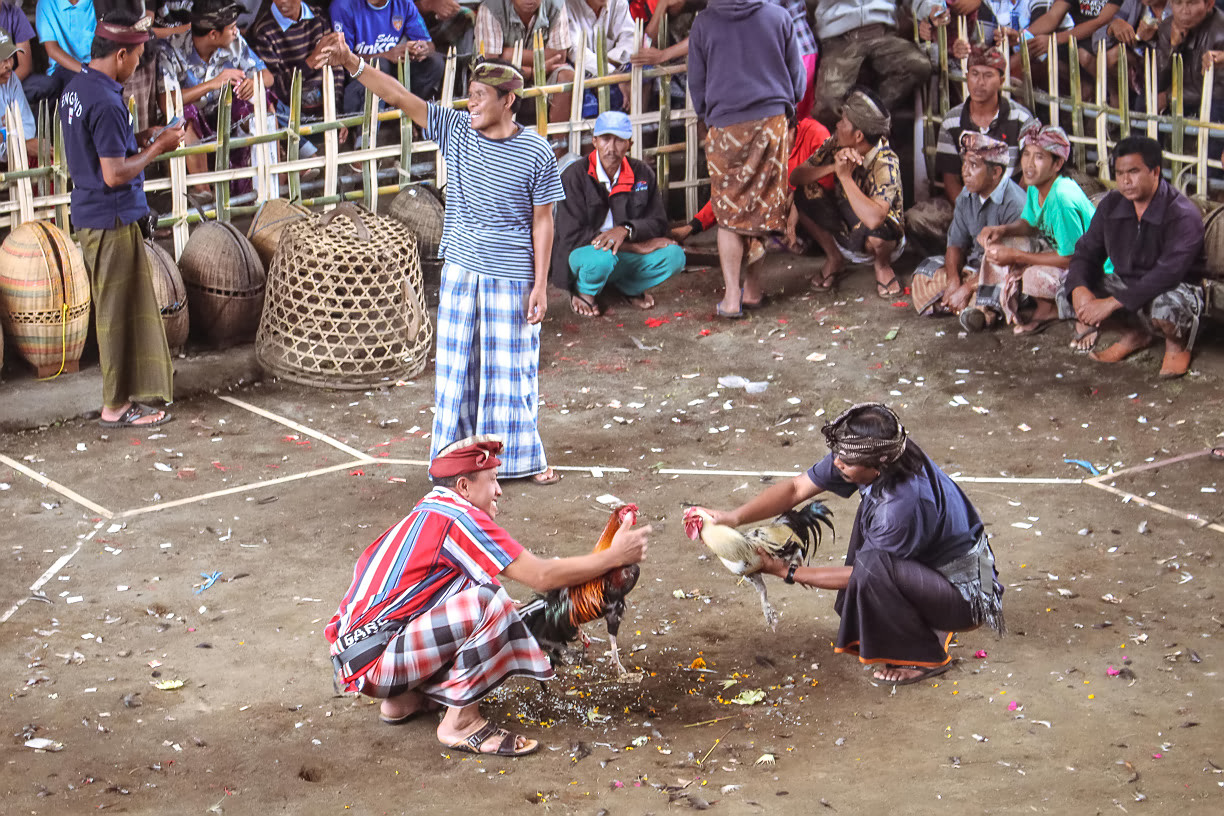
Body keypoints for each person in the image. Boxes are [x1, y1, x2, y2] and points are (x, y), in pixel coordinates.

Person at [313, 38, 566, 484]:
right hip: (461, 272)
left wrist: (541, 285)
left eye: (481, 97)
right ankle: (456, 459)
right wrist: (353, 62)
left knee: (512, 375)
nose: (471, 103)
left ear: (508, 101)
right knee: (455, 373)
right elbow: (396, 94)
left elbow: (542, 222)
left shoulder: (537, 152)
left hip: (511, 276)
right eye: (470, 95)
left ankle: (519, 459)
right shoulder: (456, 130)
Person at [326, 435, 650, 755]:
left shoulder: (427, 512)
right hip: (379, 658)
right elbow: (541, 575)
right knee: (489, 600)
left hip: (362, 656)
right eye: (493, 480)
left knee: (492, 602)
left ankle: (402, 700)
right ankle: (461, 723)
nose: (498, 490)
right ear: (464, 486)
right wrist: (614, 556)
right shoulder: (459, 517)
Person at [688, 403, 1004, 686]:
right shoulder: (881, 450)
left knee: (875, 565)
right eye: (838, 455)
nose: (838, 463)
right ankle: (931, 615)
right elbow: (797, 488)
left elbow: (861, 575)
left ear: (878, 463)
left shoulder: (899, 507)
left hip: (972, 596)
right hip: (952, 568)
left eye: (847, 461)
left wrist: (784, 570)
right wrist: (733, 517)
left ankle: (925, 657)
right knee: (871, 526)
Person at [61, 10, 185, 428]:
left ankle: (125, 396)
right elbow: (114, 174)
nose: (139, 62)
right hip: (109, 217)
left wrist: (143, 137)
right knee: (115, 314)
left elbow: (100, 154)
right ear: (119, 54)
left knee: (122, 308)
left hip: (92, 213)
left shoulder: (75, 88)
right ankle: (115, 405)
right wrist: (160, 146)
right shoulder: (107, 100)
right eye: (137, 55)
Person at [688, 0, 805, 319]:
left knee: (728, 210)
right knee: (763, 207)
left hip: (726, 125)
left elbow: (697, 87)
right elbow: (798, 80)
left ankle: (730, 298)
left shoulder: (704, 23)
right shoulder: (779, 17)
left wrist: (709, 118)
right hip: (771, 123)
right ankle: (752, 290)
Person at [1063, 136, 1205, 377]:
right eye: (1119, 173)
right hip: (1128, 283)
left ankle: (1177, 346)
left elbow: (1168, 273)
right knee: (1066, 290)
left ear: (1155, 171)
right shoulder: (1111, 205)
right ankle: (1133, 335)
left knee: (1167, 307)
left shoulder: (1182, 214)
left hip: (1175, 287)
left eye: (1133, 171)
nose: (1125, 181)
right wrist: (1080, 291)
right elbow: (1086, 251)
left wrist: (1110, 303)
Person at [973, 122, 1100, 340]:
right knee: (998, 247)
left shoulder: (1062, 198)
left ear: (1057, 163)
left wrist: (1017, 256)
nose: (1029, 164)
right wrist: (1001, 230)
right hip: (1060, 251)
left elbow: (1071, 258)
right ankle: (989, 307)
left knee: (1032, 275)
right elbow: (1028, 224)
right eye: (1026, 155)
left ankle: (1047, 310)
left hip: (1090, 267)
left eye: (1039, 157)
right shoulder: (1037, 185)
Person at [552, 110, 685, 317]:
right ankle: (583, 291)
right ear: (594, 141)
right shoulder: (574, 176)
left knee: (675, 256)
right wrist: (636, 246)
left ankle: (629, 287)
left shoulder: (642, 173)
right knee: (602, 259)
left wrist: (626, 230)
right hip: (586, 252)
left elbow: (658, 222)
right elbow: (570, 234)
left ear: (629, 144)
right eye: (605, 139)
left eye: (619, 140)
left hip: (621, 253)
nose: (611, 148)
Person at [908, 43, 1034, 252]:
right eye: (974, 74)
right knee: (916, 219)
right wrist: (970, 214)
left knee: (1025, 230)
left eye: (988, 75)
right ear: (967, 76)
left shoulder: (1020, 118)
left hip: (1010, 205)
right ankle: (957, 255)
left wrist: (1005, 214)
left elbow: (1029, 174)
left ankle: (986, 255)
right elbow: (950, 179)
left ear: (1001, 80)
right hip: (967, 202)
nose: (979, 83)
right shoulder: (952, 121)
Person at [157, 0, 279, 197]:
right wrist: (212, 83)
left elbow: (267, 77)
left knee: (262, 97)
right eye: (231, 28)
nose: (237, 32)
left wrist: (252, 81)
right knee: (183, 114)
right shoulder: (170, 50)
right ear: (213, 34)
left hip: (226, 117)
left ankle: (273, 182)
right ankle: (203, 191)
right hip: (194, 126)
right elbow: (166, 103)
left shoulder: (235, 42)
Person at [792, 88, 905, 298]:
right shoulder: (837, 142)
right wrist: (834, 167)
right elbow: (796, 177)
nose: (837, 125)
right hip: (847, 223)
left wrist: (845, 178)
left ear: (859, 135)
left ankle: (882, 265)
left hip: (879, 235)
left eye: (843, 121)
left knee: (879, 233)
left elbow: (874, 220)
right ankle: (834, 257)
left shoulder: (886, 162)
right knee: (803, 192)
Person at [672, 113, 831, 260]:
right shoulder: (763, 149)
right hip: (793, 217)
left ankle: (829, 253)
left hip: (824, 212)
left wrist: (795, 204)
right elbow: (734, 192)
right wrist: (691, 227)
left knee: (801, 195)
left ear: (785, 123)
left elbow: (826, 184)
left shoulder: (815, 134)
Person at [911, 132, 1027, 318]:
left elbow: (1008, 263)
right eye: (965, 163)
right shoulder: (966, 195)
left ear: (996, 172)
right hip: (972, 268)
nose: (965, 171)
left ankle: (971, 309)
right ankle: (965, 308)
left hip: (1000, 270)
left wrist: (966, 288)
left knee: (1001, 287)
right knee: (924, 273)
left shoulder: (1015, 204)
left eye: (974, 165)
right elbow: (955, 244)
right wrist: (953, 281)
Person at [809, 0, 942, 124]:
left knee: (918, 66)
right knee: (828, 102)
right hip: (838, 37)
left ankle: (869, 125)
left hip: (883, 33)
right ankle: (845, 138)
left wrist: (931, 9)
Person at [329, 0, 445, 116]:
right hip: (357, 81)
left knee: (435, 63)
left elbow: (429, 44)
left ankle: (409, 115)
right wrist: (386, 54)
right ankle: (364, 130)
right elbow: (342, 58)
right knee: (379, 65)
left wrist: (421, 49)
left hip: (391, 81)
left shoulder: (404, 4)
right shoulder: (343, 6)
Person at [473, 0, 575, 124]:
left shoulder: (556, 5)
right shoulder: (491, 8)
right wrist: (532, 71)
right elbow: (490, 66)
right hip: (504, 80)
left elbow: (558, 55)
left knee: (566, 75)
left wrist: (507, 54)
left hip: (545, 75)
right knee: (490, 81)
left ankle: (559, 141)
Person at [249, 0, 343, 122]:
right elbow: (273, 90)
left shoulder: (320, 18)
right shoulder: (263, 31)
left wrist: (336, 111)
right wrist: (308, 64)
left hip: (327, 111)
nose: (282, 1)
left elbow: (336, 69)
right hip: (291, 117)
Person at [565, 0, 637, 112]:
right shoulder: (568, 6)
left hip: (617, 67)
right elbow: (575, 51)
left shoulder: (618, 3)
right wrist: (612, 73)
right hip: (582, 72)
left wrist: (610, 62)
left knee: (642, 72)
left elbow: (630, 40)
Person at [28, 0, 97, 106]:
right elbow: (53, 50)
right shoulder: (46, 4)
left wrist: (95, 72)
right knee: (77, 89)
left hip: (96, 65)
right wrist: (86, 72)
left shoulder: (97, 3)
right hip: (63, 67)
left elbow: (105, 44)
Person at [0, 28, 37, 166]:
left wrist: (9, 139)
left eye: (10, 57)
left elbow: (27, 126)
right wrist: (22, 144)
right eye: (2, 60)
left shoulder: (11, 79)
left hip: (13, 155)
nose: (9, 65)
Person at [0, 1, 35, 86]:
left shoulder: (15, 13)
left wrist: (5, 88)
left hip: (12, 80)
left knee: (49, 85)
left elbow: (24, 66)